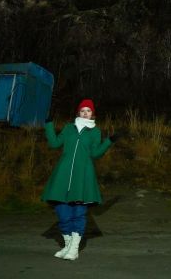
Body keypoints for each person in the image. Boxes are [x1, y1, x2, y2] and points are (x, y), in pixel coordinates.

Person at [42, 98, 115, 260]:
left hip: (83, 177)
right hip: (63, 175)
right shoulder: (69, 128)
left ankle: (74, 249)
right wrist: (48, 125)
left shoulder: (95, 132)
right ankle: (67, 244)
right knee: (62, 212)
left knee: (79, 212)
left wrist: (109, 141)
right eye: (83, 110)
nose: (85, 113)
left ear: (92, 114)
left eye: (88, 111)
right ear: (78, 112)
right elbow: (54, 144)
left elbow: (95, 154)